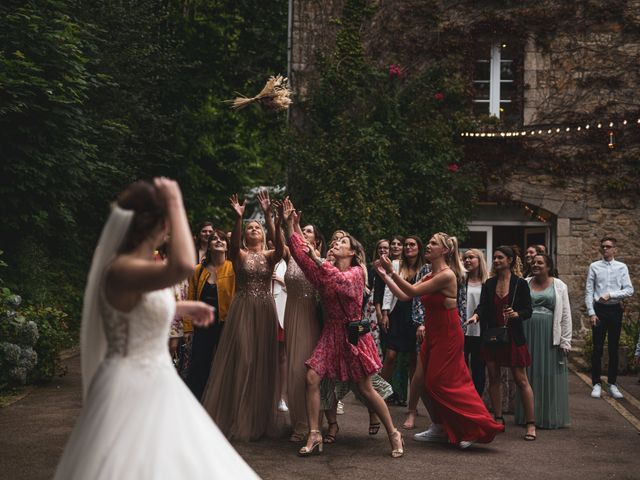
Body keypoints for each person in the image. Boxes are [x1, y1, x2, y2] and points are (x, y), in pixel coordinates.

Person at [53, 178, 258, 479]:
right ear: (159, 224)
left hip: (159, 379)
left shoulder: (139, 268)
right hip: (130, 383)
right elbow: (184, 266)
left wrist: (181, 308)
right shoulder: (122, 268)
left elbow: (133, 310)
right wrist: (174, 200)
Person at [282, 200, 404, 458]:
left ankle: (393, 432)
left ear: (352, 253)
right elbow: (301, 258)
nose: (336, 244)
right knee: (312, 377)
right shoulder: (325, 272)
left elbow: (342, 283)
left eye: (342, 243)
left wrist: (317, 258)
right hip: (331, 332)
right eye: (335, 242)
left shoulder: (358, 272)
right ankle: (315, 434)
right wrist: (290, 224)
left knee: (364, 389)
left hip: (354, 332)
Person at [378, 233, 504, 448]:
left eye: (433, 243)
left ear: (445, 250)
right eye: (429, 242)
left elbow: (412, 290)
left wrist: (391, 271)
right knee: (422, 382)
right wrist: (385, 277)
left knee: (445, 383)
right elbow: (405, 296)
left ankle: (474, 427)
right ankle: (439, 426)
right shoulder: (429, 273)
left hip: (448, 334)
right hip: (432, 333)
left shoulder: (447, 275)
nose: (428, 245)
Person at [201, 194, 284, 441]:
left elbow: (280, 248)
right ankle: (238, 416)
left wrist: (271, 218)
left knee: (262, 362)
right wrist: (238, 218)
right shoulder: (240, 255)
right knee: (245, 360)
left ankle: (257, 419)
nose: (254, 229)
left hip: (265, 310)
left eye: (257, 227)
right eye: (251, 227)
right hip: (244, 309)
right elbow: (234, 244)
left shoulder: (270, 256)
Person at [467, 245, 536, 441]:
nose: (496, 261)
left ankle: (531, 424)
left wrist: (517, 314)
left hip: (513, 336)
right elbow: (483, 306)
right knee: (494, 378)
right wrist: (476, 316)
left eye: (500, 258)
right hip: (492, 336)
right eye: (494, 258)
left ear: (510, 260)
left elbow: (528, 310)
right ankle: (498, 419)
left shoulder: (520, 284)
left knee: (521, 380)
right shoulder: (488, 283)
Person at [515, 254, 571, 428]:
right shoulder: (524, 282)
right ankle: (528, 415)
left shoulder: (559, 285)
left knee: (548, 374)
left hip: (548, 333)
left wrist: (565, 340)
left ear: (548, 267)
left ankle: (547, 416)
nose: (535, 264)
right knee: (528, 374)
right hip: (526, 331)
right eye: (534, 262)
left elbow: (565, 315)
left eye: (540, 262)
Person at [185, 229, 235, 400]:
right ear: (209, 246)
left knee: (225, 364)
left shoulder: (233, 267)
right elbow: (190, 299)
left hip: (226, 322)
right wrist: (188, 328)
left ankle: (222, 401)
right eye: (214, 239)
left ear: (228, 246)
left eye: (222, 239)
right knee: (199, 364)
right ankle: (196, 401)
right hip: (202, 323)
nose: (219, 241)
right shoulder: (198, 270)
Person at [585, 236, 634, 399]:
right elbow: (589, 291)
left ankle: (612, 384)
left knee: (613, 348)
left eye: (608, 247)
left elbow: (629, 290)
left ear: (615, 249)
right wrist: (591, 312)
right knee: (597, 348)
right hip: (599, 310)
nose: (605, 249)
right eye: (603, 247)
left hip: (614, 310)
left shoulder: (622, 267)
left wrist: (611, 294)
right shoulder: (594, 266)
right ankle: (596, 384)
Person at [380, 236, 423, 404]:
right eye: (406, 245)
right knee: (390, 355)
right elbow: (389, 290)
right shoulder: (397, 265)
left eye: (412, 244)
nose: (408, 247)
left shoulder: (424, 268)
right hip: (397, 312)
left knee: (413, 359)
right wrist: (385, 312)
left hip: (415, 314)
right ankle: (379, 394)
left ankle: (412, 401)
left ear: (419, 247)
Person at [462, 249, 489, 396]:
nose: (467, 260)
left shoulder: (487, 282)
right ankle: (464, 398)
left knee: (479, 368)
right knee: (462, 368)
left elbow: (486, 305)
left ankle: (477, 400)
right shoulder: (460, 281)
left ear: (479, 260)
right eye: (465, 258)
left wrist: (477, 315)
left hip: (481, 331)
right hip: (463, 330)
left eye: (471, 257)